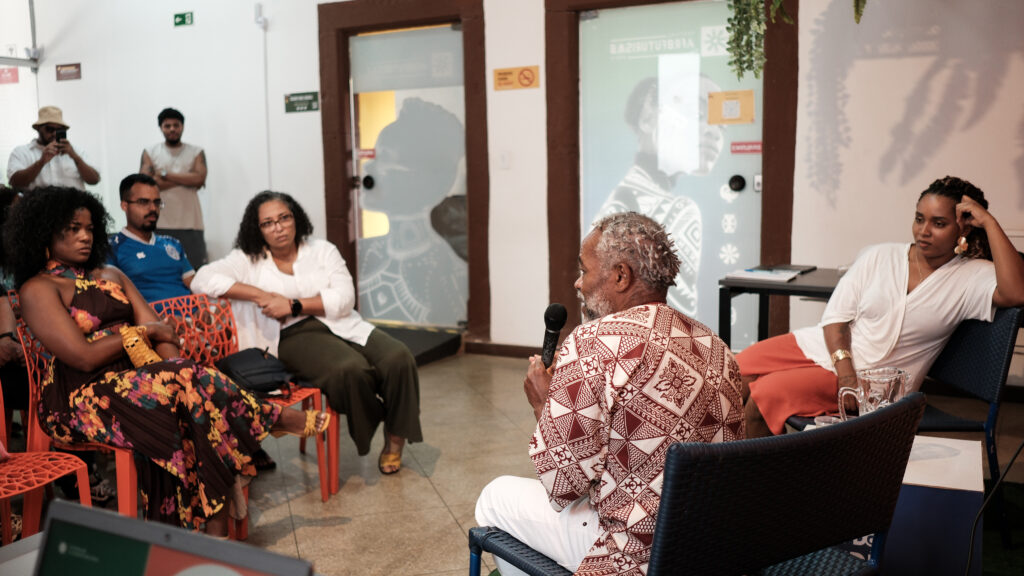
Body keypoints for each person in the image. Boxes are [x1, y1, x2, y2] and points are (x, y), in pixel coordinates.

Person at [5, 186, 328, 535]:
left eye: (89, 228)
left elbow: (165, 335)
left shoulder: (110, 275)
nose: (85, 236)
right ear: (44, 232)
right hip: (82, 398)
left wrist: (170, 366)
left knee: (188, 399)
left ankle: (209, 532)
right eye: (72, 229)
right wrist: (139, 337)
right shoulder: (38, 289)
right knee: (186, 395)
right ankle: (268, 418)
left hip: (145, 380)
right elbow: (84, 357)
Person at [475, 212, 745, 576]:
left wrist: (542, 403)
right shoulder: (714, 344)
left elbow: (562, 485)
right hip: (711, 544)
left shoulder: (593, 341)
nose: (577, 283)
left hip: (639, 553)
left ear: (620, 275)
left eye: (584, 270)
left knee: (495, 496)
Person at [738, 176, 1024, 437]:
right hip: (832, 352)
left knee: (764, 397)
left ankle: (760, 488)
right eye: (919, 219)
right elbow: (836, 319)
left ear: (964, 226)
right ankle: (717, 472)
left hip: (876, 381)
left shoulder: (971, 277)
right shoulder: (880, 256)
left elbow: (1016, 292)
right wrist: (846, 375)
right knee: (733, 373)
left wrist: (989, 221)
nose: (923, 231)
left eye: (938, 223)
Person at [190, 191, 422, 475]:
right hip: (291, 335)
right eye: (268, 223)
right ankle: (386, 415)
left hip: (343, 323)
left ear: (295, 218)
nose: (278, 227)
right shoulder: (247, 260)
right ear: (258, 228)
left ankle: (395, 439)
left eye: (284, 218)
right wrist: (260, 295)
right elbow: (202, 279)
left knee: (399, 357)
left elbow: (345, 298)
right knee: (350, 370)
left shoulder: (322, 250)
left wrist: (292, 304)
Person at [590, 74, 725, 318]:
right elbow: (674, 322)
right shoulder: (679, 210)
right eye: (697, 115)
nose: (714, 133)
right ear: (647, 118)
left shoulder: (623, 199)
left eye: (721, 125)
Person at [107, 174, 194, 302]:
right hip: (152, 320)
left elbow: (194, 286)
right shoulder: (111, 248)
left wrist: (203, 307)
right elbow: (113, 299)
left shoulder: (173, 244)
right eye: (144, 202)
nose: (153, 208)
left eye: (157, 202)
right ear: (124, 206)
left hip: (192, 317)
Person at [140, 108, 209, 266]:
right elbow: (145, 184)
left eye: (176, 125)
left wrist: (164, 174)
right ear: (161, 128)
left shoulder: (196, 152)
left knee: (195, 269)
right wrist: (187, 178)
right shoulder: (150, 152)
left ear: (182, 126)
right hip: (160, 222)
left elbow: (199, 178)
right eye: (167, 125)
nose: (172, 129)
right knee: (161, 269)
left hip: (191, 223)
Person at [7, 106, 101, 190]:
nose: (54, 133)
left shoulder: (76, 151)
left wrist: (74, 157)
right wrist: (41, 162)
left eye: (59, 130)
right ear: (39, 129)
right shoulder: (22, 152)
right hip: (38, 208)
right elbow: (15, 182)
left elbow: (94, 180)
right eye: (50, 129)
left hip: (73, 207)